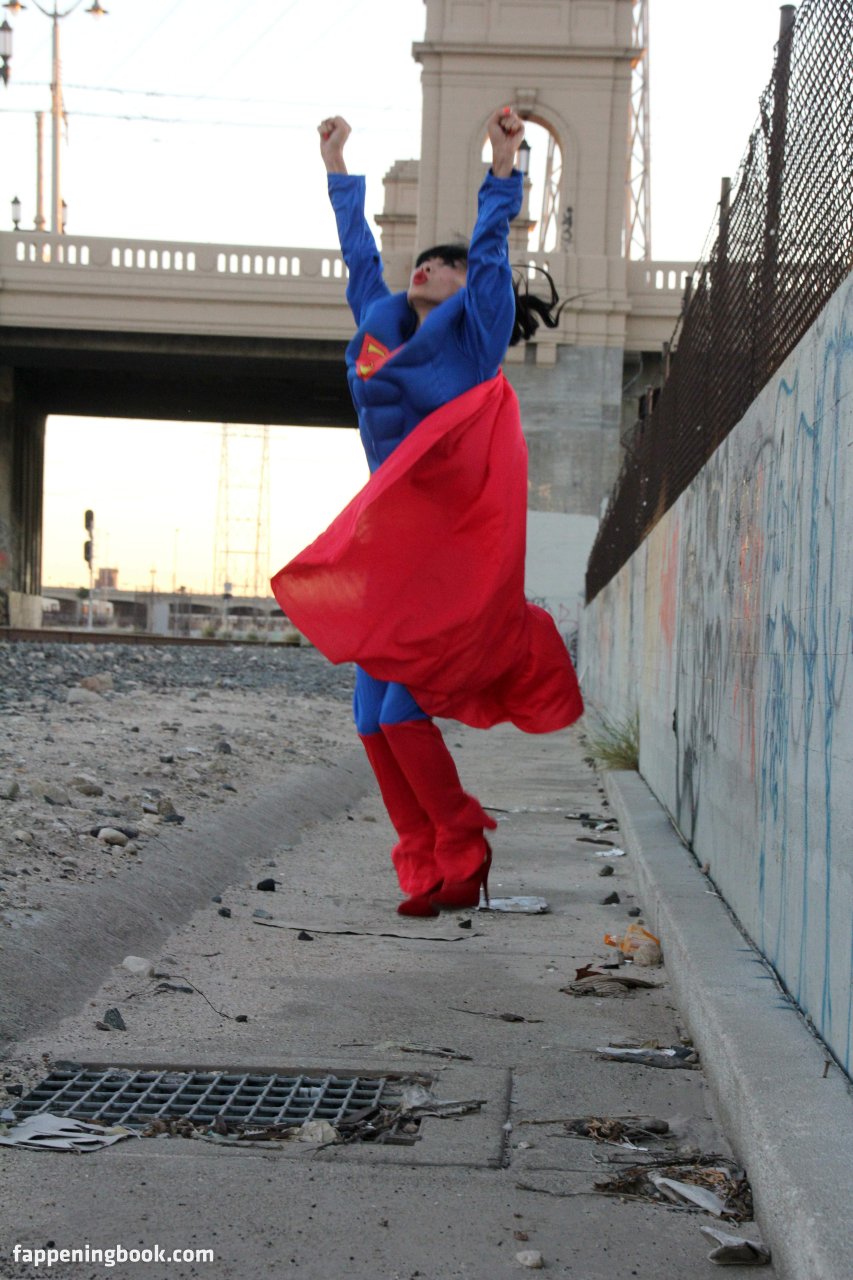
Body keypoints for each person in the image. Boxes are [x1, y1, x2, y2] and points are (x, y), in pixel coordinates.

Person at [272, 107, 583, 917]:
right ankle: (423, 861)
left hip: (449, 548)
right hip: (394, 547)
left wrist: (503, 166)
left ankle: (463, 847)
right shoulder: (377, 331)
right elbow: (357, 254)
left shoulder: (473, 340)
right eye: (424, 261)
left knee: (402, 709)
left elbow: (489, 251)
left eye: (445, 264)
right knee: (370, 718)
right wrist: (336, 165)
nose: (430, 267)